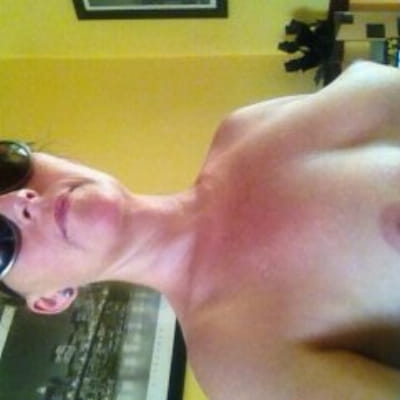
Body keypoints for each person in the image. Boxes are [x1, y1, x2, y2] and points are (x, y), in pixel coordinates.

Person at [1, 60, 400, 399]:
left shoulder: (252, 128)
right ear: (50, 298)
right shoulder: (237, 360)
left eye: (5, 171)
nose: (19, 200)